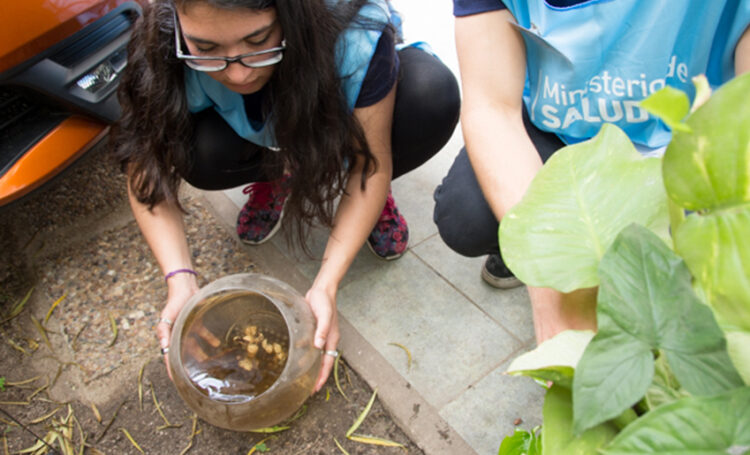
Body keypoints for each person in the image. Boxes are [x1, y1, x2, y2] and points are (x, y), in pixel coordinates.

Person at [112, 0, 460, 391]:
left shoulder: (354, 32)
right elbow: (144, 164)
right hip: (258, 129)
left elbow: (369, 166)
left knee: (430, 95)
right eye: (206, 49)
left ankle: (365, 202)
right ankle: (278, 170)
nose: (239, 73)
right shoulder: (162, 38)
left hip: (342, 113)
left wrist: (325, 285)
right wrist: (180, 282)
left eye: (258, 39)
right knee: (198, 152)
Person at [433, 0, 750, 343]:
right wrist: (549, 279)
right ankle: (530, 260)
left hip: (687, 138)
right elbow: (492, 107)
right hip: (566, 130)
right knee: (467, 214)